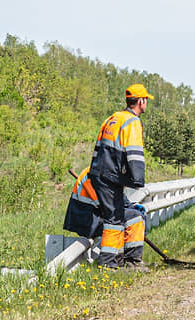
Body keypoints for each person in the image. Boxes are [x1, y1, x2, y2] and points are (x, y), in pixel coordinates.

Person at [87, 83, 153, 270]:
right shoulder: (132, 122)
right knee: (114, 220)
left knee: (121, 217)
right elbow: (134, 154)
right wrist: (138, 180)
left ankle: (127, 261)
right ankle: (108, 264)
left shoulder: (113, 118)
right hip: (111, 176)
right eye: (146, 100)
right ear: (141, 101)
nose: (146, 103)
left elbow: (98, 148)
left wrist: (94, 172)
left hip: (100, 174)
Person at [63, 167, 147, 271]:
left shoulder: (108, 173)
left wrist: (133, 207)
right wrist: (133, 212)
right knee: (128, 218)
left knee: (134, 215)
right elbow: (110, 205)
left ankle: (126, 261)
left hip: (97, 214)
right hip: (87, 219)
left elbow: (119, 199)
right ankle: (122, 261)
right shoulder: (97, 175)